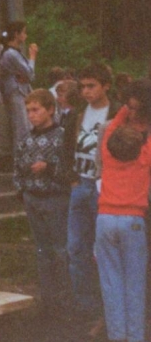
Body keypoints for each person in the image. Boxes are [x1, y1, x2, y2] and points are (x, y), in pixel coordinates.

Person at [95, 79, 151, 342]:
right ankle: (136, 339)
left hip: (105, 218)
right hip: (134, 221)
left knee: (110, 278)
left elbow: (112, 129)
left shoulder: (107, 153)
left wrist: (124, 113)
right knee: (135, 278)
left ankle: (117, 338)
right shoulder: (144, 158)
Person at [62, 63, 121, 323]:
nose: (86, 91)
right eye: (82, 86)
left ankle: (111, 304)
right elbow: (66, 148)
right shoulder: (76, 114)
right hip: (80, 185)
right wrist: (72, 179)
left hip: (105, 187)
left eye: (91, 86)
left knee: (107, 248)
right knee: (76, 247)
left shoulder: (117, 112)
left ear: (105, 85)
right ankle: (85, 306)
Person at [13, 89, 68, 311]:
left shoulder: (62, 136)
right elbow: (17, 166)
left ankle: (66, 297)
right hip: (32, 198)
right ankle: (48, 299)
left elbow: (68, 166)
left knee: (61, 249)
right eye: (28, 111)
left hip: (55, 197)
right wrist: (21, 190)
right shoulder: (25, 139)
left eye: (36, 110)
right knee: (42, 250)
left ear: (51, 110)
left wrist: (49, 168)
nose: (31, 115)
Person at [0, 20, 38, 153]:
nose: (25, 36)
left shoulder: (13, 52)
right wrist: (32, 57)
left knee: (25, 126)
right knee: (22, 128)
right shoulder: (11, 54)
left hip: (19, 91)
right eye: (24, 32)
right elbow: (30, 74)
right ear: (16, 34)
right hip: (16, 92)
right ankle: (21, 159)